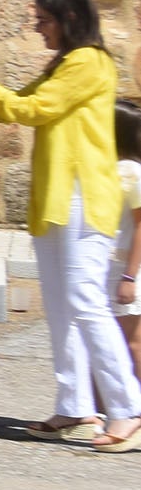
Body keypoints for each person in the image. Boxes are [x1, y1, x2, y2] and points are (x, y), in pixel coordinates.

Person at [0, 0, 141, 450]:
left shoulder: (90, 62)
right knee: (60, 307)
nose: (37, 28)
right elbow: (12, 105)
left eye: (44, 20)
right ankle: (75, 404)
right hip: (55, 199)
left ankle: (127, 408)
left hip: (84, 196)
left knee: (85, 301)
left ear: (69, 20)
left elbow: (34, 109)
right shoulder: (62, 63)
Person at [113, 101, 141, 384]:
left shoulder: (133, 172)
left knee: (133, 342)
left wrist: (129, 276)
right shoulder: (110, 167)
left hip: (124, 267)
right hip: (108, 267)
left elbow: (140, 225)